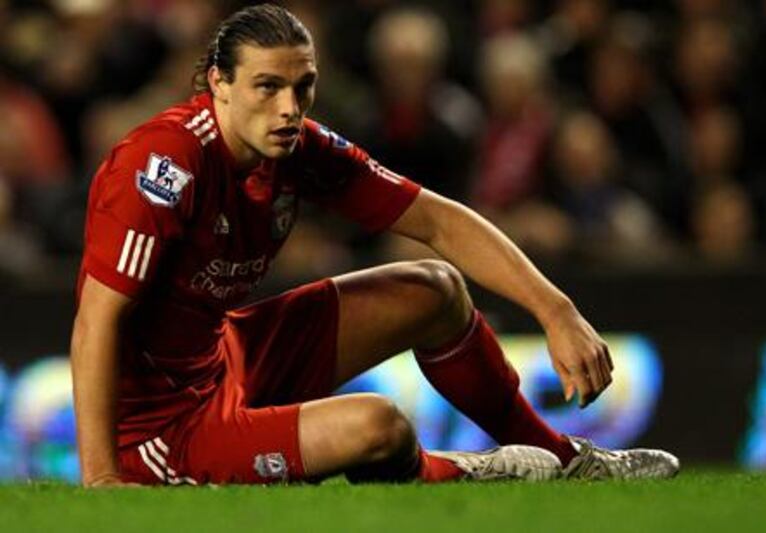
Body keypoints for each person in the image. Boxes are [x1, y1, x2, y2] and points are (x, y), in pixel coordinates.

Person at [70, 4, 679, 488]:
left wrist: (556, 310)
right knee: (377, 425)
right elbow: (97, 321)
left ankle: (562, 460)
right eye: (266, 87)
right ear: (218, 84)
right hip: (159, 429)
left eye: (301, 87)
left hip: (224, 358)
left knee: (433, 289)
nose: (288, 108)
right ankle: (462, 471)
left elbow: (441, 223)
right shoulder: (163, 166)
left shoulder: (297, 146)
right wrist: (102, 477)